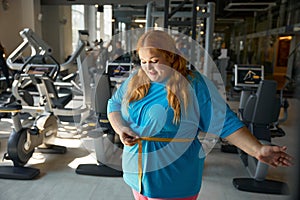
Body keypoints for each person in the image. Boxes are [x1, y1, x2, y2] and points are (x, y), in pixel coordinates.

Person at [107, 30, 293, 200]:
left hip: (172, 178)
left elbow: (224, 122)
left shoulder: (194, 85)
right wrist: (121, 128)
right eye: (143, 61)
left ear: (170, 57)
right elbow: (113, 104)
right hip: (136, 175)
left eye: (154, 61)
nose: (148, 68)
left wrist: (257, 150)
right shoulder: (135, 79)